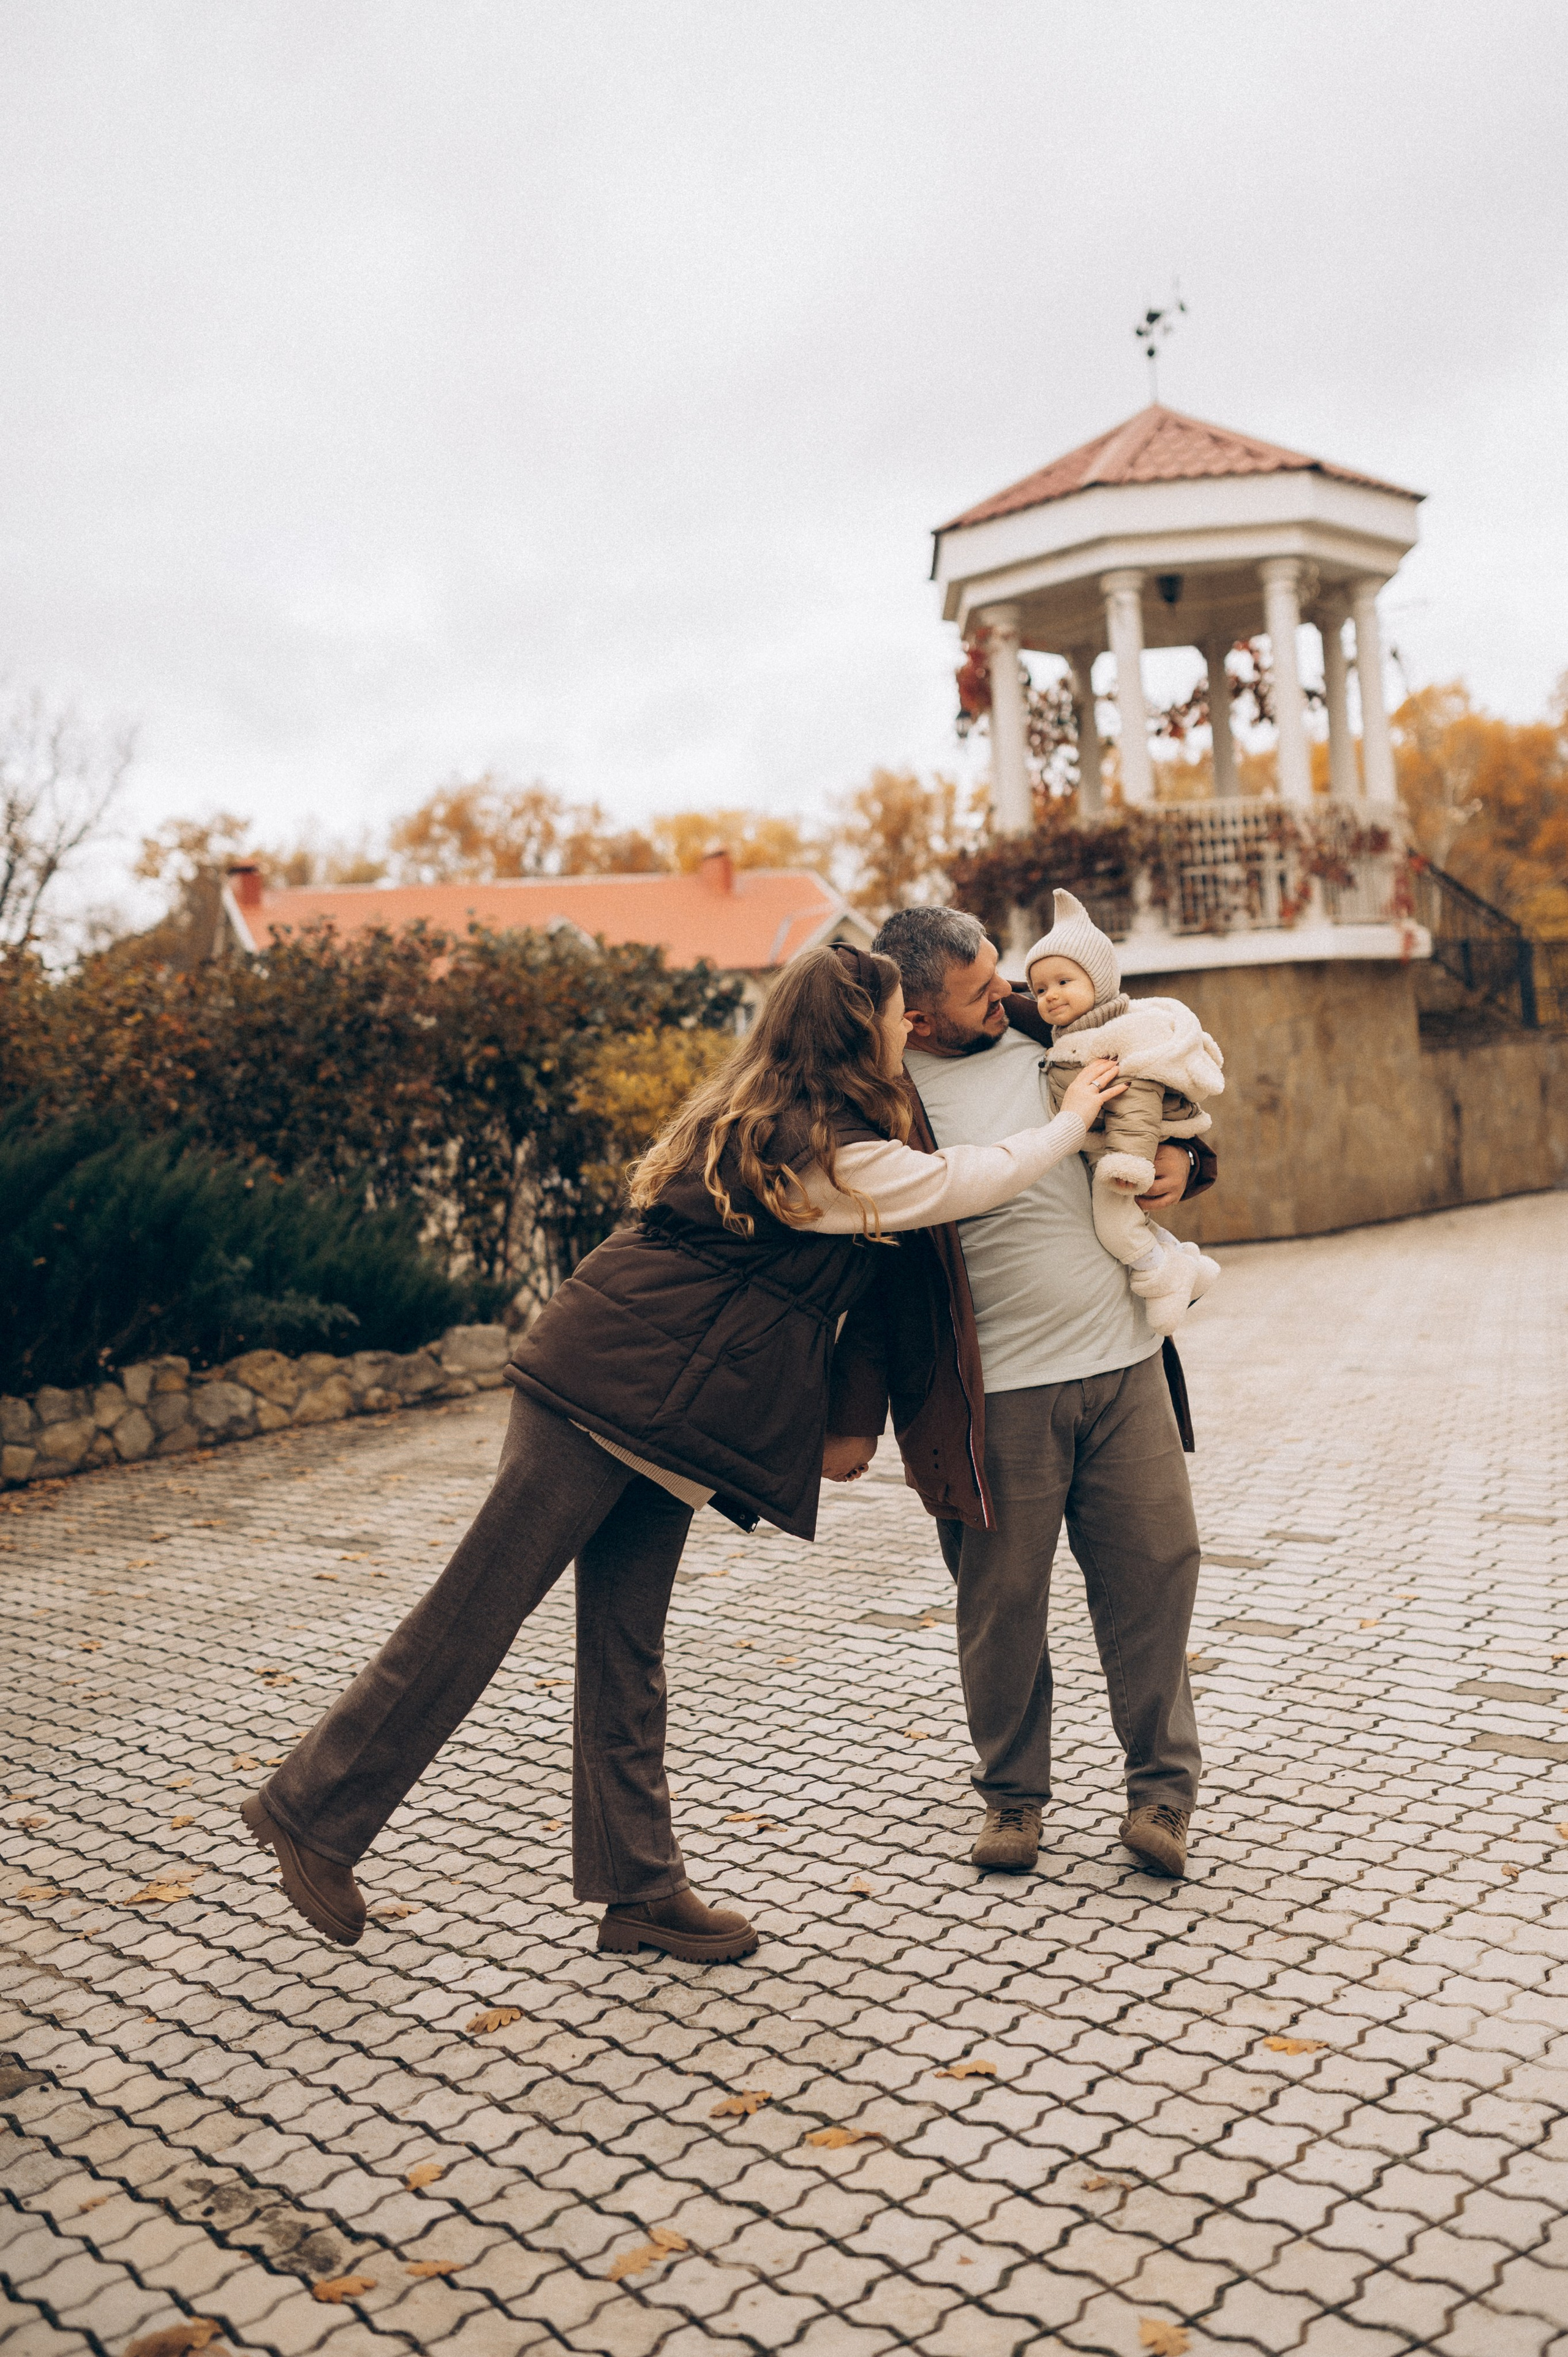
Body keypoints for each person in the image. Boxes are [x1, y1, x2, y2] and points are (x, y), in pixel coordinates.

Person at [241, 943, 1125, 1965]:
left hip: (656, 1418)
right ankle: (313, 1811)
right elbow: (963, 1183)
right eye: (892, 1014)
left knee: (627, 1655)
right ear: (860, 1029)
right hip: (599, 1399)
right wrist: (1071, 1118)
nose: (903, 1031)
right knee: (473, 1612)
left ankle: (640, 1888)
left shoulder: (787, 1112)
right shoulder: (823, 1147)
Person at [827, 908, 1216, 1882]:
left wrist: (1187, 1159)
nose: (1008, 992)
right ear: (915, 1018)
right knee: (1002, 1606)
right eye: (980, 989)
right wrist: (848, 1416)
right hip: (990, 1400)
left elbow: (1165, 1095)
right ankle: (1012, 1797)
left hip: (1124, 1367)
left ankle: (1161, 1796)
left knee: (1157, 1571)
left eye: (1001, 971)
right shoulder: (888, 1103)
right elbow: (870, 1275)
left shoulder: (1056, 1026)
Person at [1028, 888, 1224, 1335]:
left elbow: (1135, 1098)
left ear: (1099, 983)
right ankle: (1186, 1264)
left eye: (1064, 983)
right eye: (1040, 989)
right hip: (1110, 1148)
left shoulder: (1118, 1036)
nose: (1049, 997)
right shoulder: (1067, 1038)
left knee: (1116, 1229)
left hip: (1123, 1153)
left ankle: (1163, 1278)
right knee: (1129, 1220)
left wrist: (1130, 1160)